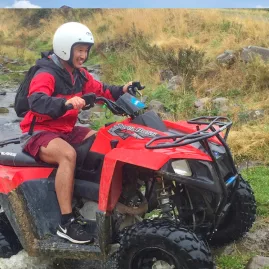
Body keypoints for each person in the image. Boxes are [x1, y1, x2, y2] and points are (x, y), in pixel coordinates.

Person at [19, 22, 134, 244]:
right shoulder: (46, 73)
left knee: (104, 139)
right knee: (67, 155)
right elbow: (37, 101)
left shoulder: (79, 75)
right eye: (79, 50)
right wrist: (66, 103)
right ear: (65, 48)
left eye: (85, 50)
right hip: (39, 132)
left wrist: (123, 89)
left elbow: (102, 90)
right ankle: (66, 222)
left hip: (65, 130)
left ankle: (102, 200)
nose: (83, 55)